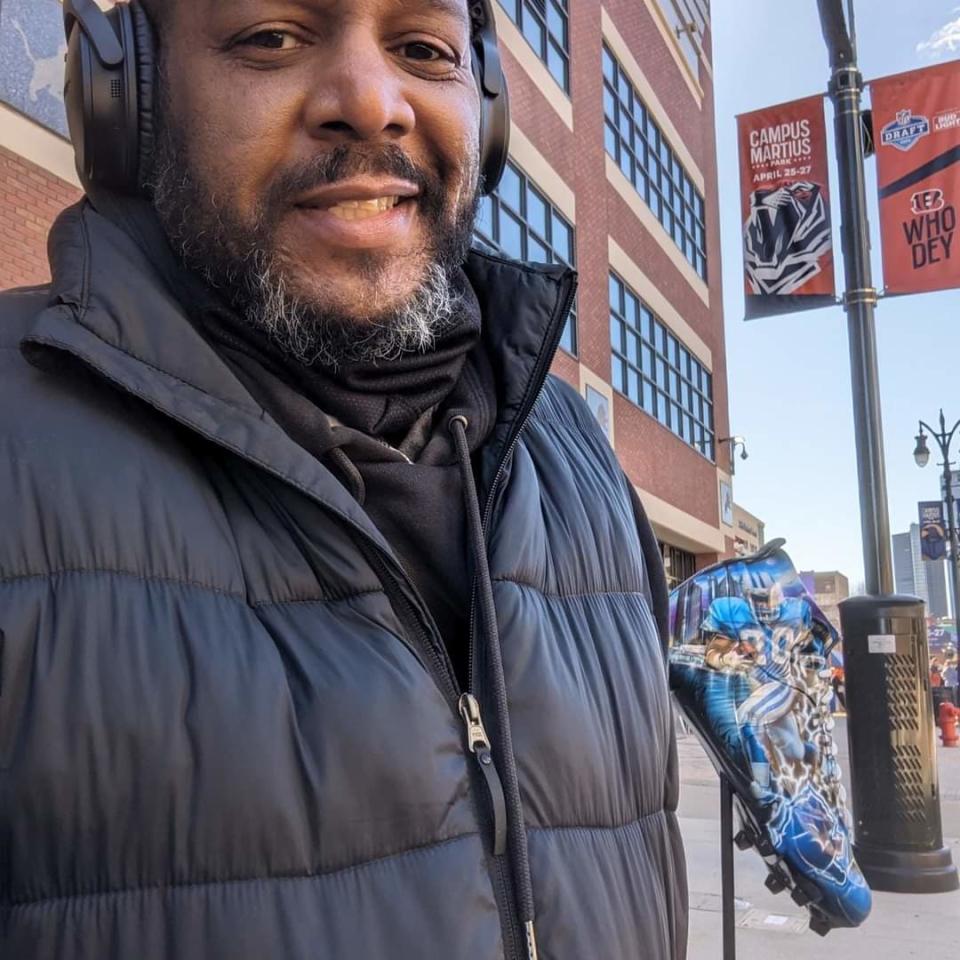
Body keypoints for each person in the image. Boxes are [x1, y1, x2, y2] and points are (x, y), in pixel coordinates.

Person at [0, 2, 686, 959]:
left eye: (422, 49)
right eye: (272, 36)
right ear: (129, 95)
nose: (372, 103)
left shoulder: (577, 453)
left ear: (482, 110)